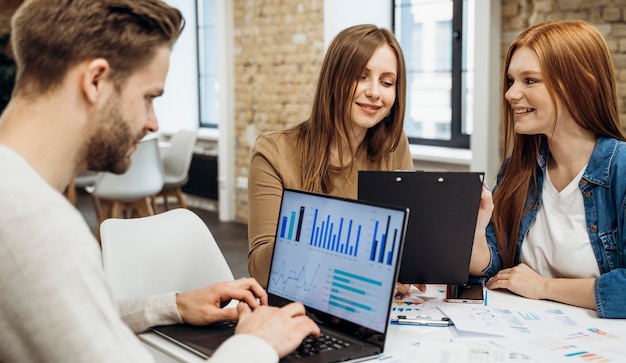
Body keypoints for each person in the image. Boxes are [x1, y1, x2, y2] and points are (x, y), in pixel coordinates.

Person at [0, 1, 319, 362]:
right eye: (149, 97)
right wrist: (256, 344)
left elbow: (65, 318)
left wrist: (173, 305)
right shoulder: (33, 225)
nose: (153, 123)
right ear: (95, 81)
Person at [469, 20, 626, 318]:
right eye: (511, 81)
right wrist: (475, 231)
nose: (511, 94)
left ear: (580, 85)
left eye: (529, 81)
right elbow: (495, 264)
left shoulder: (621, 170)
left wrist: (544, 287)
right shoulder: (518, 169)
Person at [247, 24, 420, 293]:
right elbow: (260, 271)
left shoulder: (394, 146)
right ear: (334, 80)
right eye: (362, 77)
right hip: (300, 304)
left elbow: (405, 245)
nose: (375, 92)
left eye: (387, 82)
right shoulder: (274, 151)